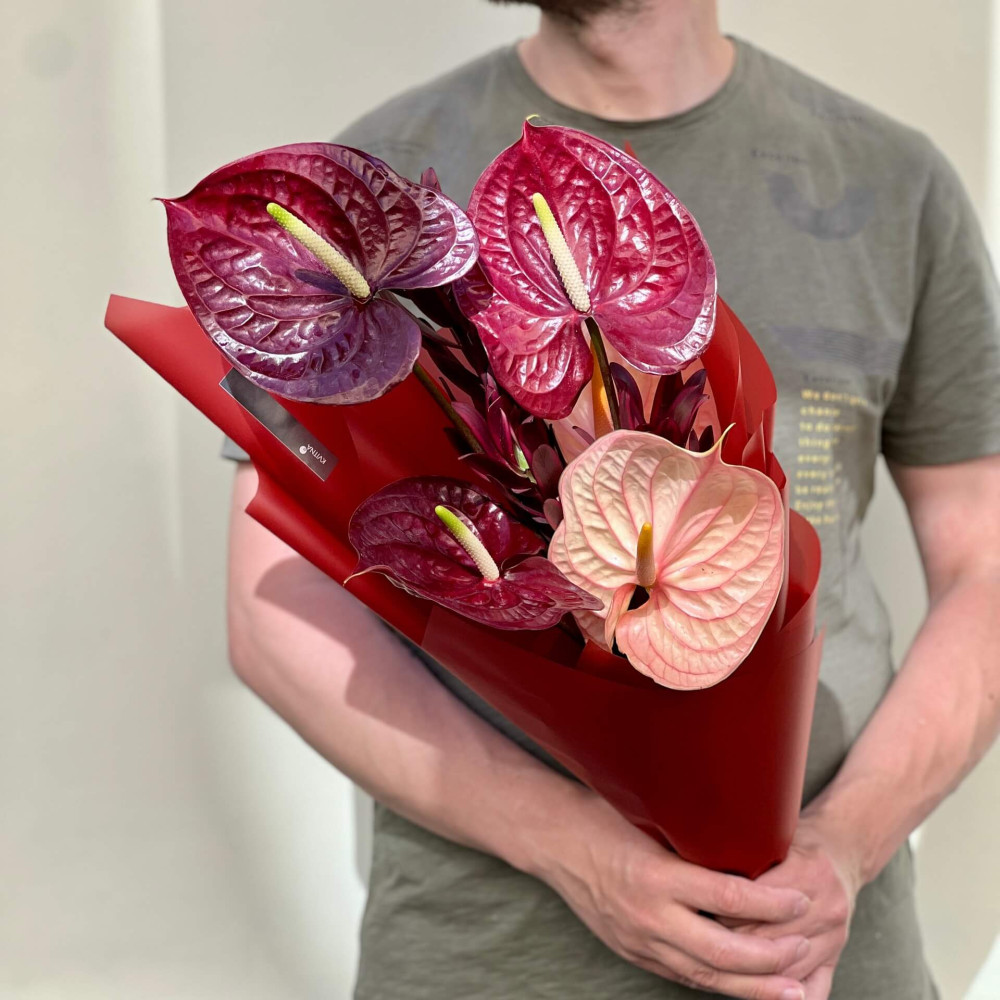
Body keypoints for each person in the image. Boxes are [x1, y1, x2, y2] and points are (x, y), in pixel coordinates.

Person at [222, 1, 1000, 997]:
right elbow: (274, 605)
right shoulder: (381, 195)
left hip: (819, 953)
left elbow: (984, 567)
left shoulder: (890, 181)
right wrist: (567, 845)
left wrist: (844, 845)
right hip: (483, 960)